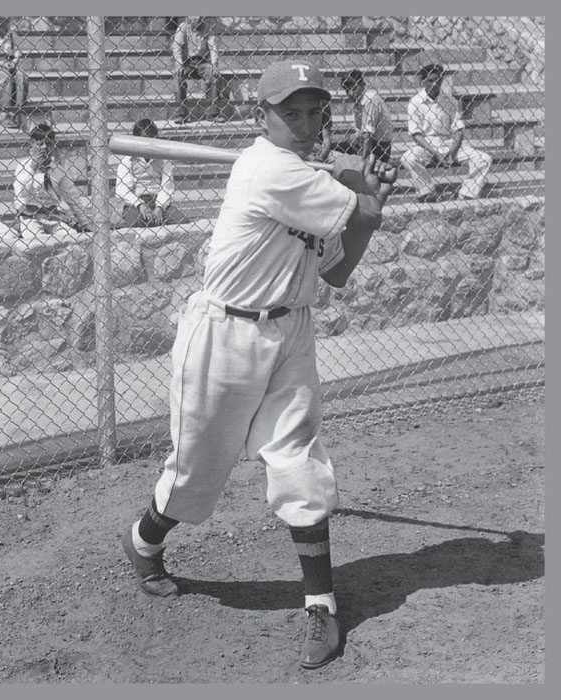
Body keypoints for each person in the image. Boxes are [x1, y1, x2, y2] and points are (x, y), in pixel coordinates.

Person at [121, 58, 397, 670]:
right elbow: (361, 210)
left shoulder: (303, 174)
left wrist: (364, 198)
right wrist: (364, 188)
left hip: (290, 330)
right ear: (260, 117)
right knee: (197, 473)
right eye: (289, 112)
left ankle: (320, 605)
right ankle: (144, 542)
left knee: (299, 462)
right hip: (225, 332)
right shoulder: (269, 169)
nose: (304, 123)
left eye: (313, 113)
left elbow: (339, 269)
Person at [401, 62, 493, 202]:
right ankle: (427, 192)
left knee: (484, 159)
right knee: (408, 158)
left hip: (448, 143)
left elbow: (458, 130)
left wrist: (453, 151)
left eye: (438, 80)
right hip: (426, 145)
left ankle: (466, 194)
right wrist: (435, 153)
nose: (435, 84)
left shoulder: (450, 100)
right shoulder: (415, 102)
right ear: (423, 82)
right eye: (430, 81)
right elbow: (416, 135)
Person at [13, 123, 92, 255]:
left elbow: (73, 197)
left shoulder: (58, 170)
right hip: (30, 217)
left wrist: (84, 223)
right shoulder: (23, 167)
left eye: (49, 144)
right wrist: (33, 166)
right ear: (31, 146)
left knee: (71, 239)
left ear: (54, 146)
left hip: (52, 217)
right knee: (36, 244)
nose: (44, 148)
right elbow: (21, 192)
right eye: (40, 143)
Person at [115, 119, 189, 228]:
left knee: (182, 221)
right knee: (137, 221)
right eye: (143, 140)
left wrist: (159, 207)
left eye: (151, 140)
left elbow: (167, 187)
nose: (147, 145)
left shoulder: (163, 160)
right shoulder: (128, 160)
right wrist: (140, 205)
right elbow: (122, 190)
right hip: (137, 202)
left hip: (157, 200)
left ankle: (156, 220)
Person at [171, 16, 225, 124]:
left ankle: (212, 113)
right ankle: (181, 114)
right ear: (189, 17)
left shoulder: (208, 28)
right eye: (195, 16)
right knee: (178, 78)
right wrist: (179, 64)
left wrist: (214, 64)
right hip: (187, 62)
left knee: (213, 76)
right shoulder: (183, 27)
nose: (198, 18)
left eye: (200, 16)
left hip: (203, 61)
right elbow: (176, 47)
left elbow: (213, 47)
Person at [338, 69, 393, 163]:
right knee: (339, 146)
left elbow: (368, 133)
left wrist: (363, 158)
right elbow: (359, 132)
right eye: (347, 90)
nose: (351, 93)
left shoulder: (371, 99)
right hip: (366, 142)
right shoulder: (357, 104)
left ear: (363, 85)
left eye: (354, 88)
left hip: (380, 146)